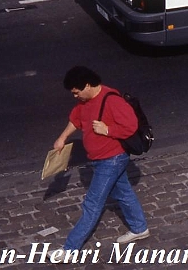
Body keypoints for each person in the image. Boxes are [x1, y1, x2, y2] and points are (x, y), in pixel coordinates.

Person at [54, 66, 149, 250]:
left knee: (92, 204)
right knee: (123, 193)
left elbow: (131, 126)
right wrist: (62, 138)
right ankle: (140, 228)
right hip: (100, 159)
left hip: (112, 159)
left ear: (88, 85)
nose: (75, 96)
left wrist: (107, 130)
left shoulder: (112, 100)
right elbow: (76, 119)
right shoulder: (84, 101)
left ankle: (69, 249)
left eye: (76, 92)